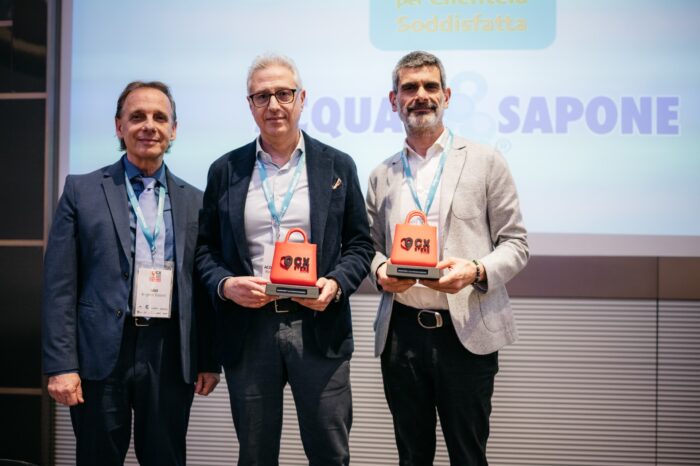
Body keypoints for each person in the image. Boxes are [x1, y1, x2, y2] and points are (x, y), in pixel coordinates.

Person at [196, 54, 373, 465]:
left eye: (283, 94)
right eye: (262, 96)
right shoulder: (225, 170)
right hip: (249, 329)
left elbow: (360, 244)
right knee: (255, 455)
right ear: (250, 105)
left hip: (318, 327)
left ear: (302, 98)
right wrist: (226, 285)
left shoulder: (337, 164)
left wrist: (335, 284)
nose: (273, 105)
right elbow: (205, 250)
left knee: (329, 453)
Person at [42, 81, 220, 466]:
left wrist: (208, 358)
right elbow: (59, 286)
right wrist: (61, 365)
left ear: (174, 130)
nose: (149, 126)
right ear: (118, 126)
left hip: (169, 353)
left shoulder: (196, 200)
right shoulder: (81, 191)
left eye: (160, 117)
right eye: (137, 116)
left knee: (166, 458)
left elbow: (201, 290)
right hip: (100, 353)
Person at [366, 51, 529, 465]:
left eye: (430, 86)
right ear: (394, 100)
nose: (420, 95)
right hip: (401, 335)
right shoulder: (382, 174)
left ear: (447, 95)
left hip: (466, 333)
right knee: (411, 457)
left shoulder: (486, 161)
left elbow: (516, 244)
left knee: (468, 456)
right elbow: (368, 247)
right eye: (409, 88)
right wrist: (381, 270)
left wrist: (475, 270)